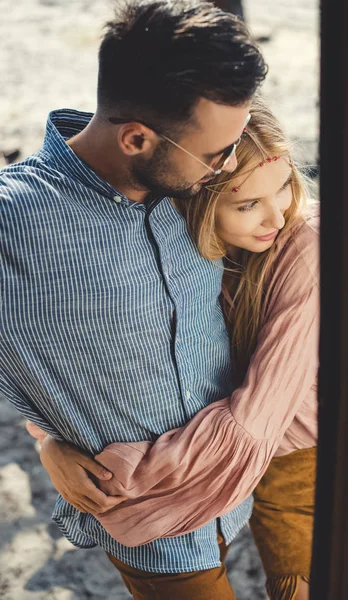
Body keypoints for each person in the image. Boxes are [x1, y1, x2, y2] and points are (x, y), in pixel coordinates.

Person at [0, 1, 266, 599]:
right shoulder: (11, 223)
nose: (227, 168)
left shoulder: (194, 180)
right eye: (216, 153)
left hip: (251, 486)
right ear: (138, 138)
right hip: (157, 529)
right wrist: (46, 439)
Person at [28, 97, 319, 600]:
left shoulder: (306, 246)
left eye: (285, 186)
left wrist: (123, 478)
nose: (278, 214)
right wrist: (48, 441)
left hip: (299, 453)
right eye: (247, 203)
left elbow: (259, 417)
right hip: (216, 446)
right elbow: (74, 352)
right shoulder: (174, 243)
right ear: (198, 204)